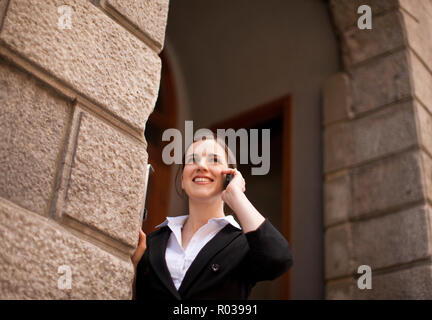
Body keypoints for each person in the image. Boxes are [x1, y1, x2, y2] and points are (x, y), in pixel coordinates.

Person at [131, 135, 293, 300]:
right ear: (182, 180)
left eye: (214, 160)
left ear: (229, 177)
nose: (201, 166)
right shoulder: (150, 243)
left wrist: (237, 196)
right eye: (192, 160)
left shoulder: (244, 244)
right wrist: (134, 267)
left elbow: (278, 259)